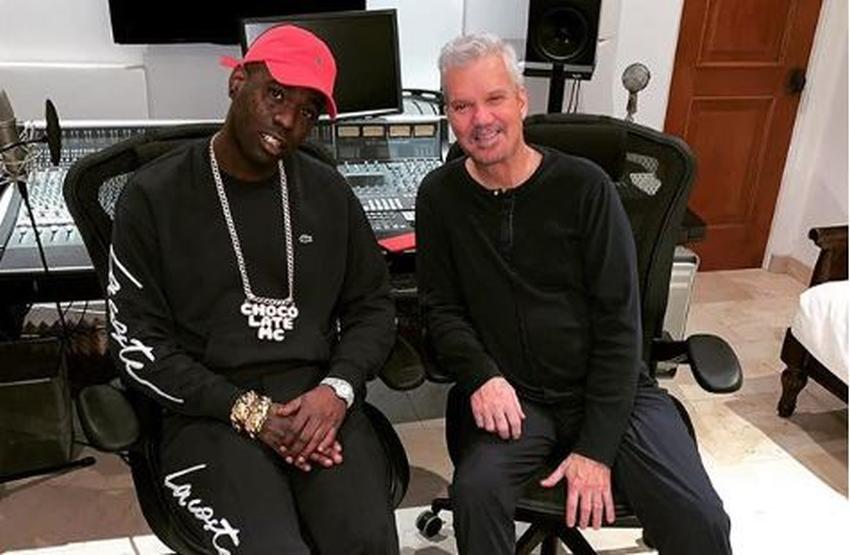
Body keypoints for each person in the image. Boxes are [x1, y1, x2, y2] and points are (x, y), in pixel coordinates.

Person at [416, 32, 732, 555]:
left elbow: (619, 325)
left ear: (521, 101)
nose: (481, 119)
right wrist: (482, 375)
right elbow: (441, 309)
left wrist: (595, 450)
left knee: (700, 519)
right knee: (476, 493)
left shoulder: (586, 188)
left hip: (610, 391)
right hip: (515, 397)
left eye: (494, 98)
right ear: (449, 114)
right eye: (462, 106)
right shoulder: (440, 195)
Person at [108, 25, 399, 554]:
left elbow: (373, 308)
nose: (288, 120)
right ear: (238, 81)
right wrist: (249, 412)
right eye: (277, 94)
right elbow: (138, 344)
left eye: (308, 111)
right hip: (208, 412)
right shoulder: (153, 196)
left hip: (317, 403)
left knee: (366, 541)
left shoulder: (328, 192)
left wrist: (338, 389)